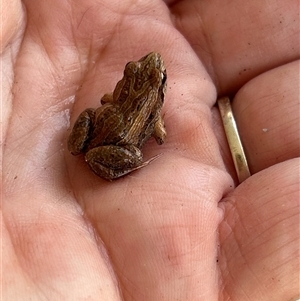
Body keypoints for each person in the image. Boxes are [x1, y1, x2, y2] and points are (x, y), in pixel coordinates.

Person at [2, 0, 299, 300]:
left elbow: (107, 100)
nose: (150, 62)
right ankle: (114, 162)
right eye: (136, 69)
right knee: (135, 154)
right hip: (119, 141)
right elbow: (160, 136)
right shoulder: (155, 110)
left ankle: (86, 150)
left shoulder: (128, 98)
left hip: (105, 121)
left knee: (93, 121)